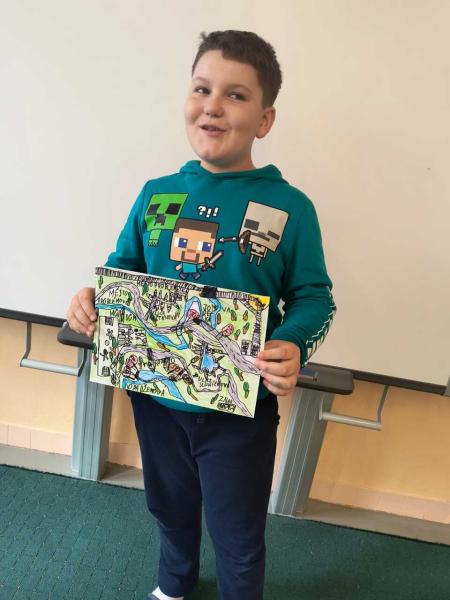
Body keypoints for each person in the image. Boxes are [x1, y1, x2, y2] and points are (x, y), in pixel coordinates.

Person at [67, 30, 336, 600]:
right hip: (155, 397)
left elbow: (316, 298)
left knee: (237, 530)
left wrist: (293, 341)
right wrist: (92, 296)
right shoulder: (157, 194)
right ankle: (174, 583)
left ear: (264, 120)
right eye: (202, 89)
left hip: (239, 411)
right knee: (168, 505)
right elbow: (123, 269)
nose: (213, 105)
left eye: (236, 95)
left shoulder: (289, 208)